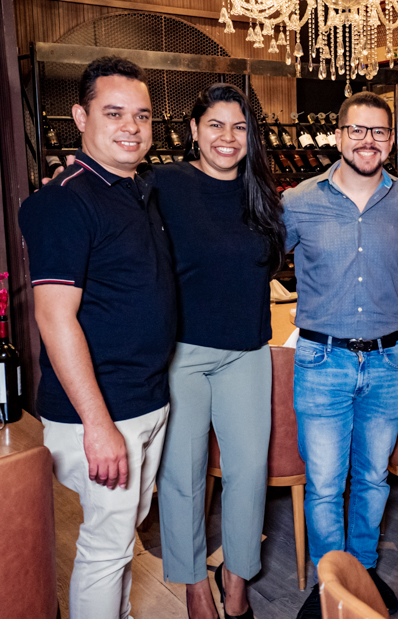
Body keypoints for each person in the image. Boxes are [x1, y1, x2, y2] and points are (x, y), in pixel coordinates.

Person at [19, 56, 175, 619]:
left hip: (145, 398)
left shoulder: (138, 189)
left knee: (123, 533)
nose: (131, 126)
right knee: (107, 547)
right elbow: (54, 318)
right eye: (114, 113)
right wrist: (98, 424)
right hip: (103, 410)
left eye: (142, 115)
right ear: (81, 118)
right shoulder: (65, 200)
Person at [283, 91, 398, 619]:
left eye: (379, 132)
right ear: (338, 136)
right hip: (321, 359)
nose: (368, 141)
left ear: (390, 141)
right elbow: (256, 257)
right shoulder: (298, 200)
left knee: (373, 479)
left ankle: (363, 575)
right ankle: (331, 585)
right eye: (357, 130)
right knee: (325, 484)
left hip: (388, 360)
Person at [154, 83, 285, 619]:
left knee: (249, 474)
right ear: (193, 130)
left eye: (239, 127)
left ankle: (236, 577)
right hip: (182, 354)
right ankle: (193, 586)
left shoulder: (261, 193)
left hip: (247, 352)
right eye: (215, 125)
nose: (227, 137)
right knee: (182, 476)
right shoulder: (164, 182)